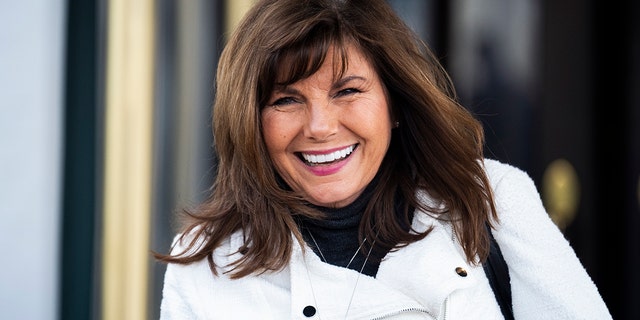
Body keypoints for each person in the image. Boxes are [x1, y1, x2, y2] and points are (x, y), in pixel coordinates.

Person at [155, 0, 612, 319]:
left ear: (394, 103)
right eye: (286, 100)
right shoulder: (205, 265)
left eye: (348, 91)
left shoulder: (493, 203)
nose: (319, 126)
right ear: (251, 120)